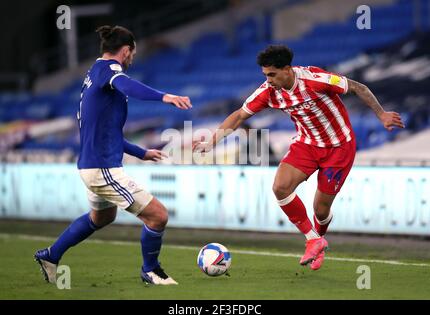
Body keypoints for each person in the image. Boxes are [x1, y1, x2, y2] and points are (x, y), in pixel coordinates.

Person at [193, 45, 404, 270]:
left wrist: (381, 114)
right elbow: (238, 116)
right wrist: (211, 142)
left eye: (272, 74)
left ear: (287, 69)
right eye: (265, 75)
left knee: (321, 209)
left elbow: (357, 87)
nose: (268, 80)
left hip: (339, 148)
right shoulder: (268, 92)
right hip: (307, 145)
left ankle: (319, 242)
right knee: (280, 187)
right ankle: (313, 240)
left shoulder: (315, 79)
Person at [34, 25, 192, 285]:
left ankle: (51, 255)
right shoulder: (109, 71)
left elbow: (107, 133)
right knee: (158, 215)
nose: (132, 59)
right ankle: (150, 271)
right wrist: (166, 96)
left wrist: (141, 152)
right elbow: (127, 86)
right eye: (132, 54)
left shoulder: (93, 76)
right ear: (127, 50)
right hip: (102, 169)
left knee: (103, 217)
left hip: (91, 165)